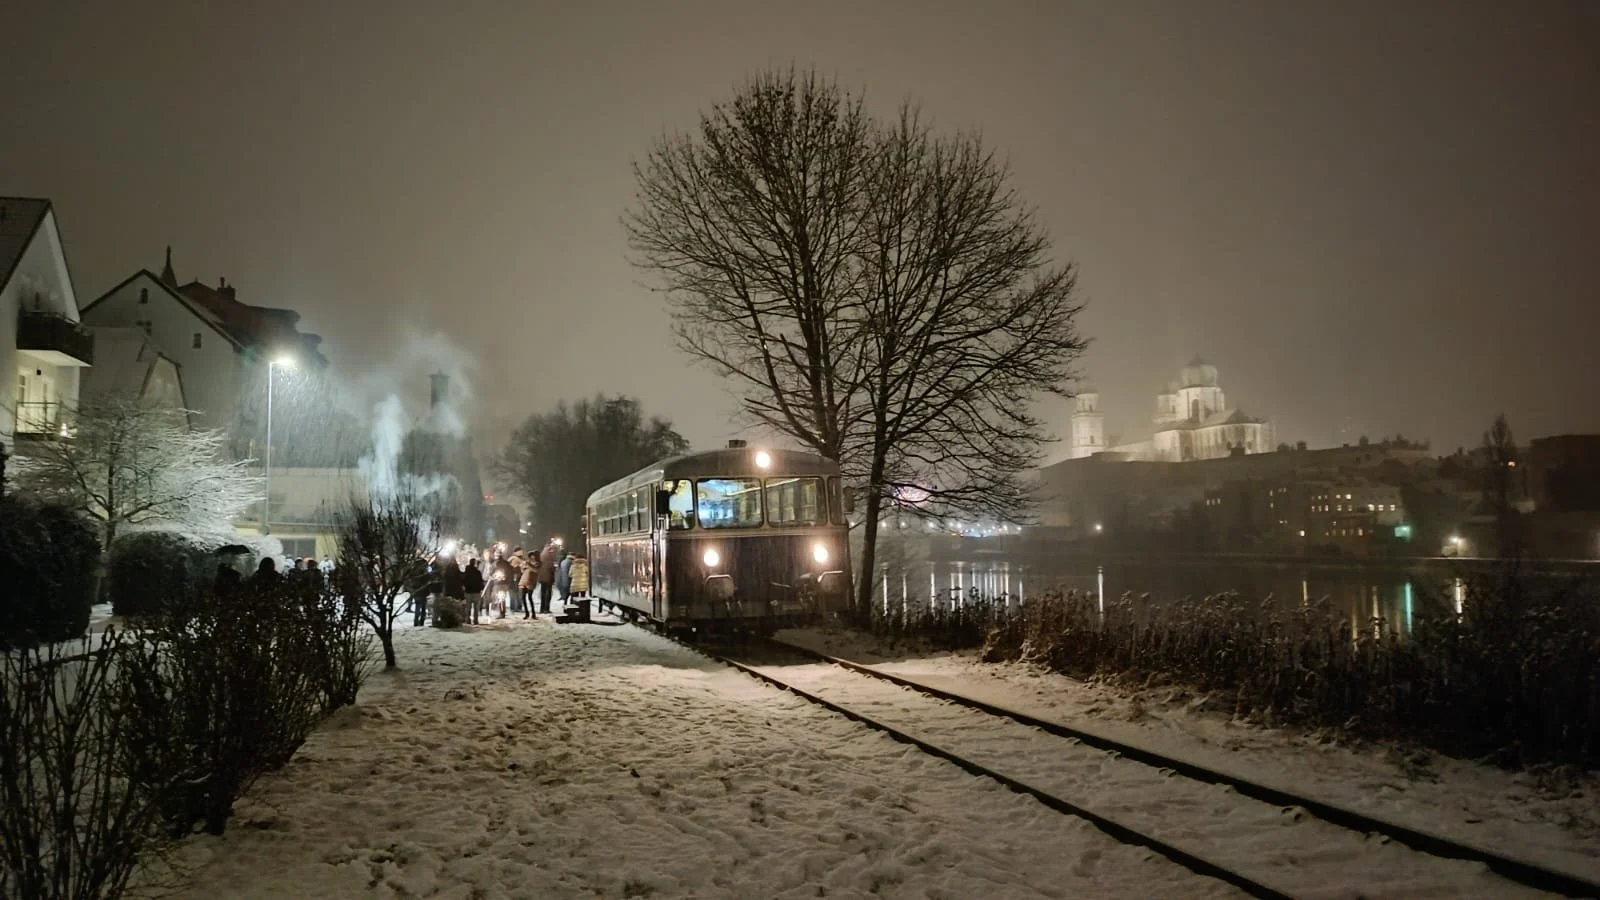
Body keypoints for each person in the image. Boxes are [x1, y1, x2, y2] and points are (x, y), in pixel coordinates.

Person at [537, 542, 558, 614]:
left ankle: (542, 608)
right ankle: (546, 608)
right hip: (548, 577)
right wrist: (554, 568)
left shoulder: (542, 554)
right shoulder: (549, 555)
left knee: (543, 593)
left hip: (542, 577)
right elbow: (550, 566)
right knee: (548, 593)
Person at [462, 558, 486, 624]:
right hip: (476, 592)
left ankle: (468, 620)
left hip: (468, 592)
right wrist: (481, 588)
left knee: (468, 607)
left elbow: (463, 581)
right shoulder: (477, 572)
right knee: (476, 608)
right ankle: (476, 620)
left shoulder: (466, 572)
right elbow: (481, 581)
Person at [518, 551, 537, 620]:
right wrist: (522, 566)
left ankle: (533, 613)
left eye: (533, 556)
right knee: (523, 598)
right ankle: (526, 613)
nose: (532, 557)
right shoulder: (527, 562)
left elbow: (535, 570)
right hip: (524, 581)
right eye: (531, 556)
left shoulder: (536, 563)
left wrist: (528, 565)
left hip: (531, 582)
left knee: (530, 598)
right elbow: (523, 571)